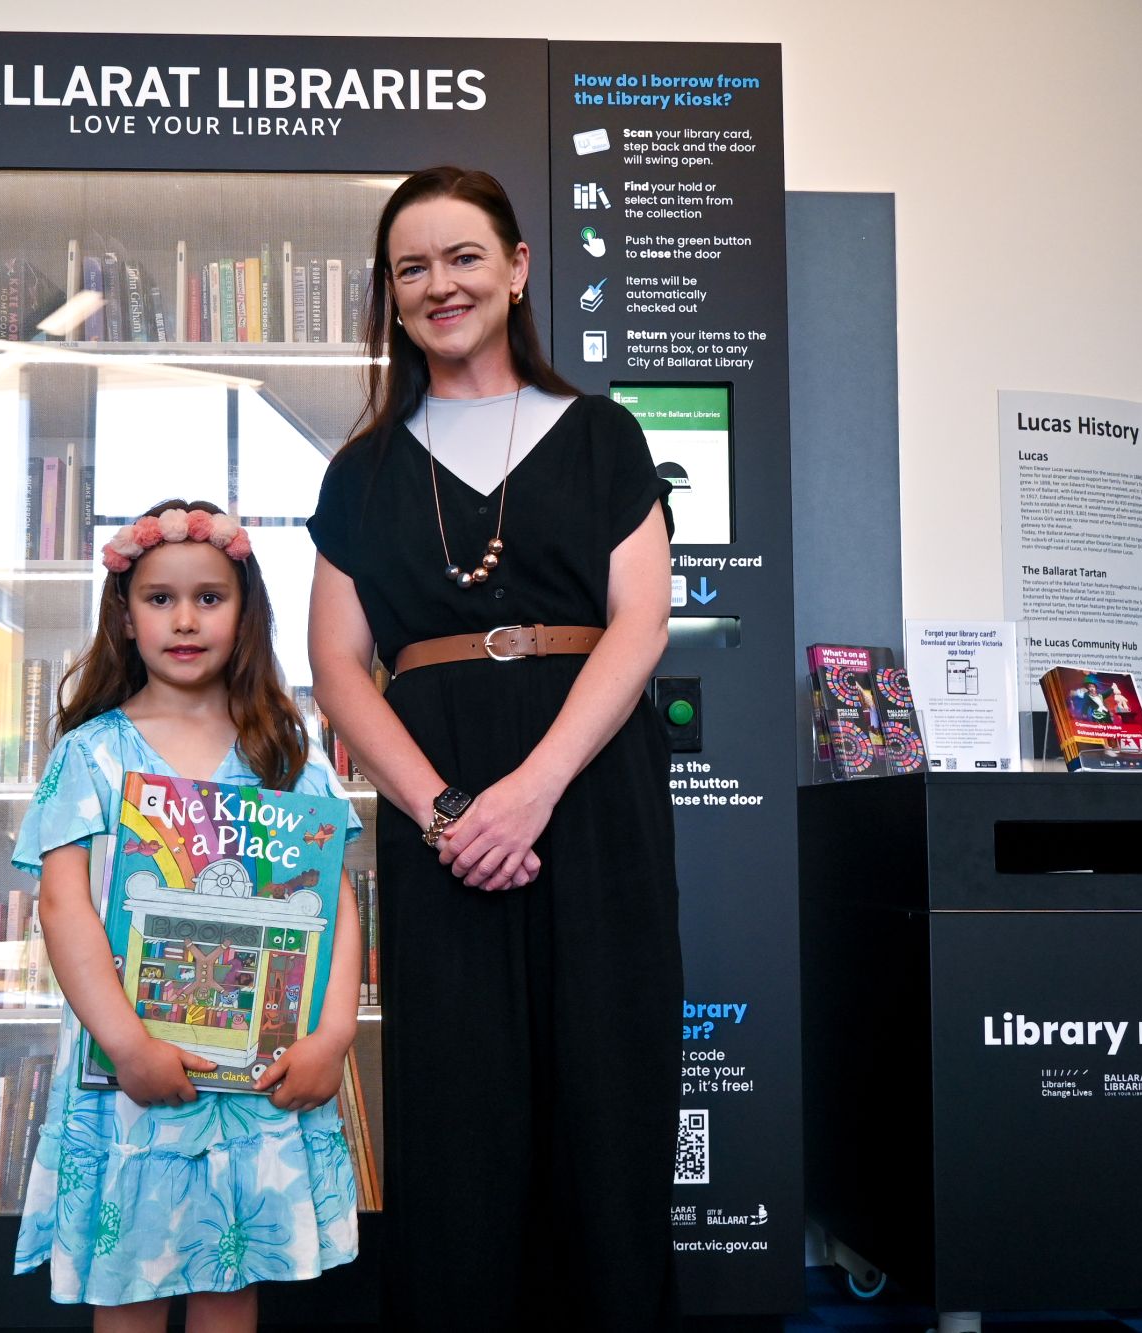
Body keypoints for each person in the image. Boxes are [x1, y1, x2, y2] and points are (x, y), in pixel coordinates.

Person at [306, 166, 681, 1329]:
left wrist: (528, 792)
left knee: (607, 1096)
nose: (439, 284)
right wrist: (443, 815)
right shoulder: (361, 471)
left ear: (516, 270)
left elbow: (641, 623)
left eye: (463, 256)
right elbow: (335, 668)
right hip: (440, 821)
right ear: (390, 294)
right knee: (459, 1116)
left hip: (589, 795)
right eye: (410, 267)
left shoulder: (603, 436)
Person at [11, 498, 362, 1332]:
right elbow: (62, 905)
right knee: (126, 1289)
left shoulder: (287, 752)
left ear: (245, 615)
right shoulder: (91, 752)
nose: (185, 619)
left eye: (210, 596)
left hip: (256, 1084)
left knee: (229, 1280)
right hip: (130, 1074)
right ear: (125, 618)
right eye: (159, 598)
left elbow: (336, 901)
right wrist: (127, 1044)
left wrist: (334, 1035)